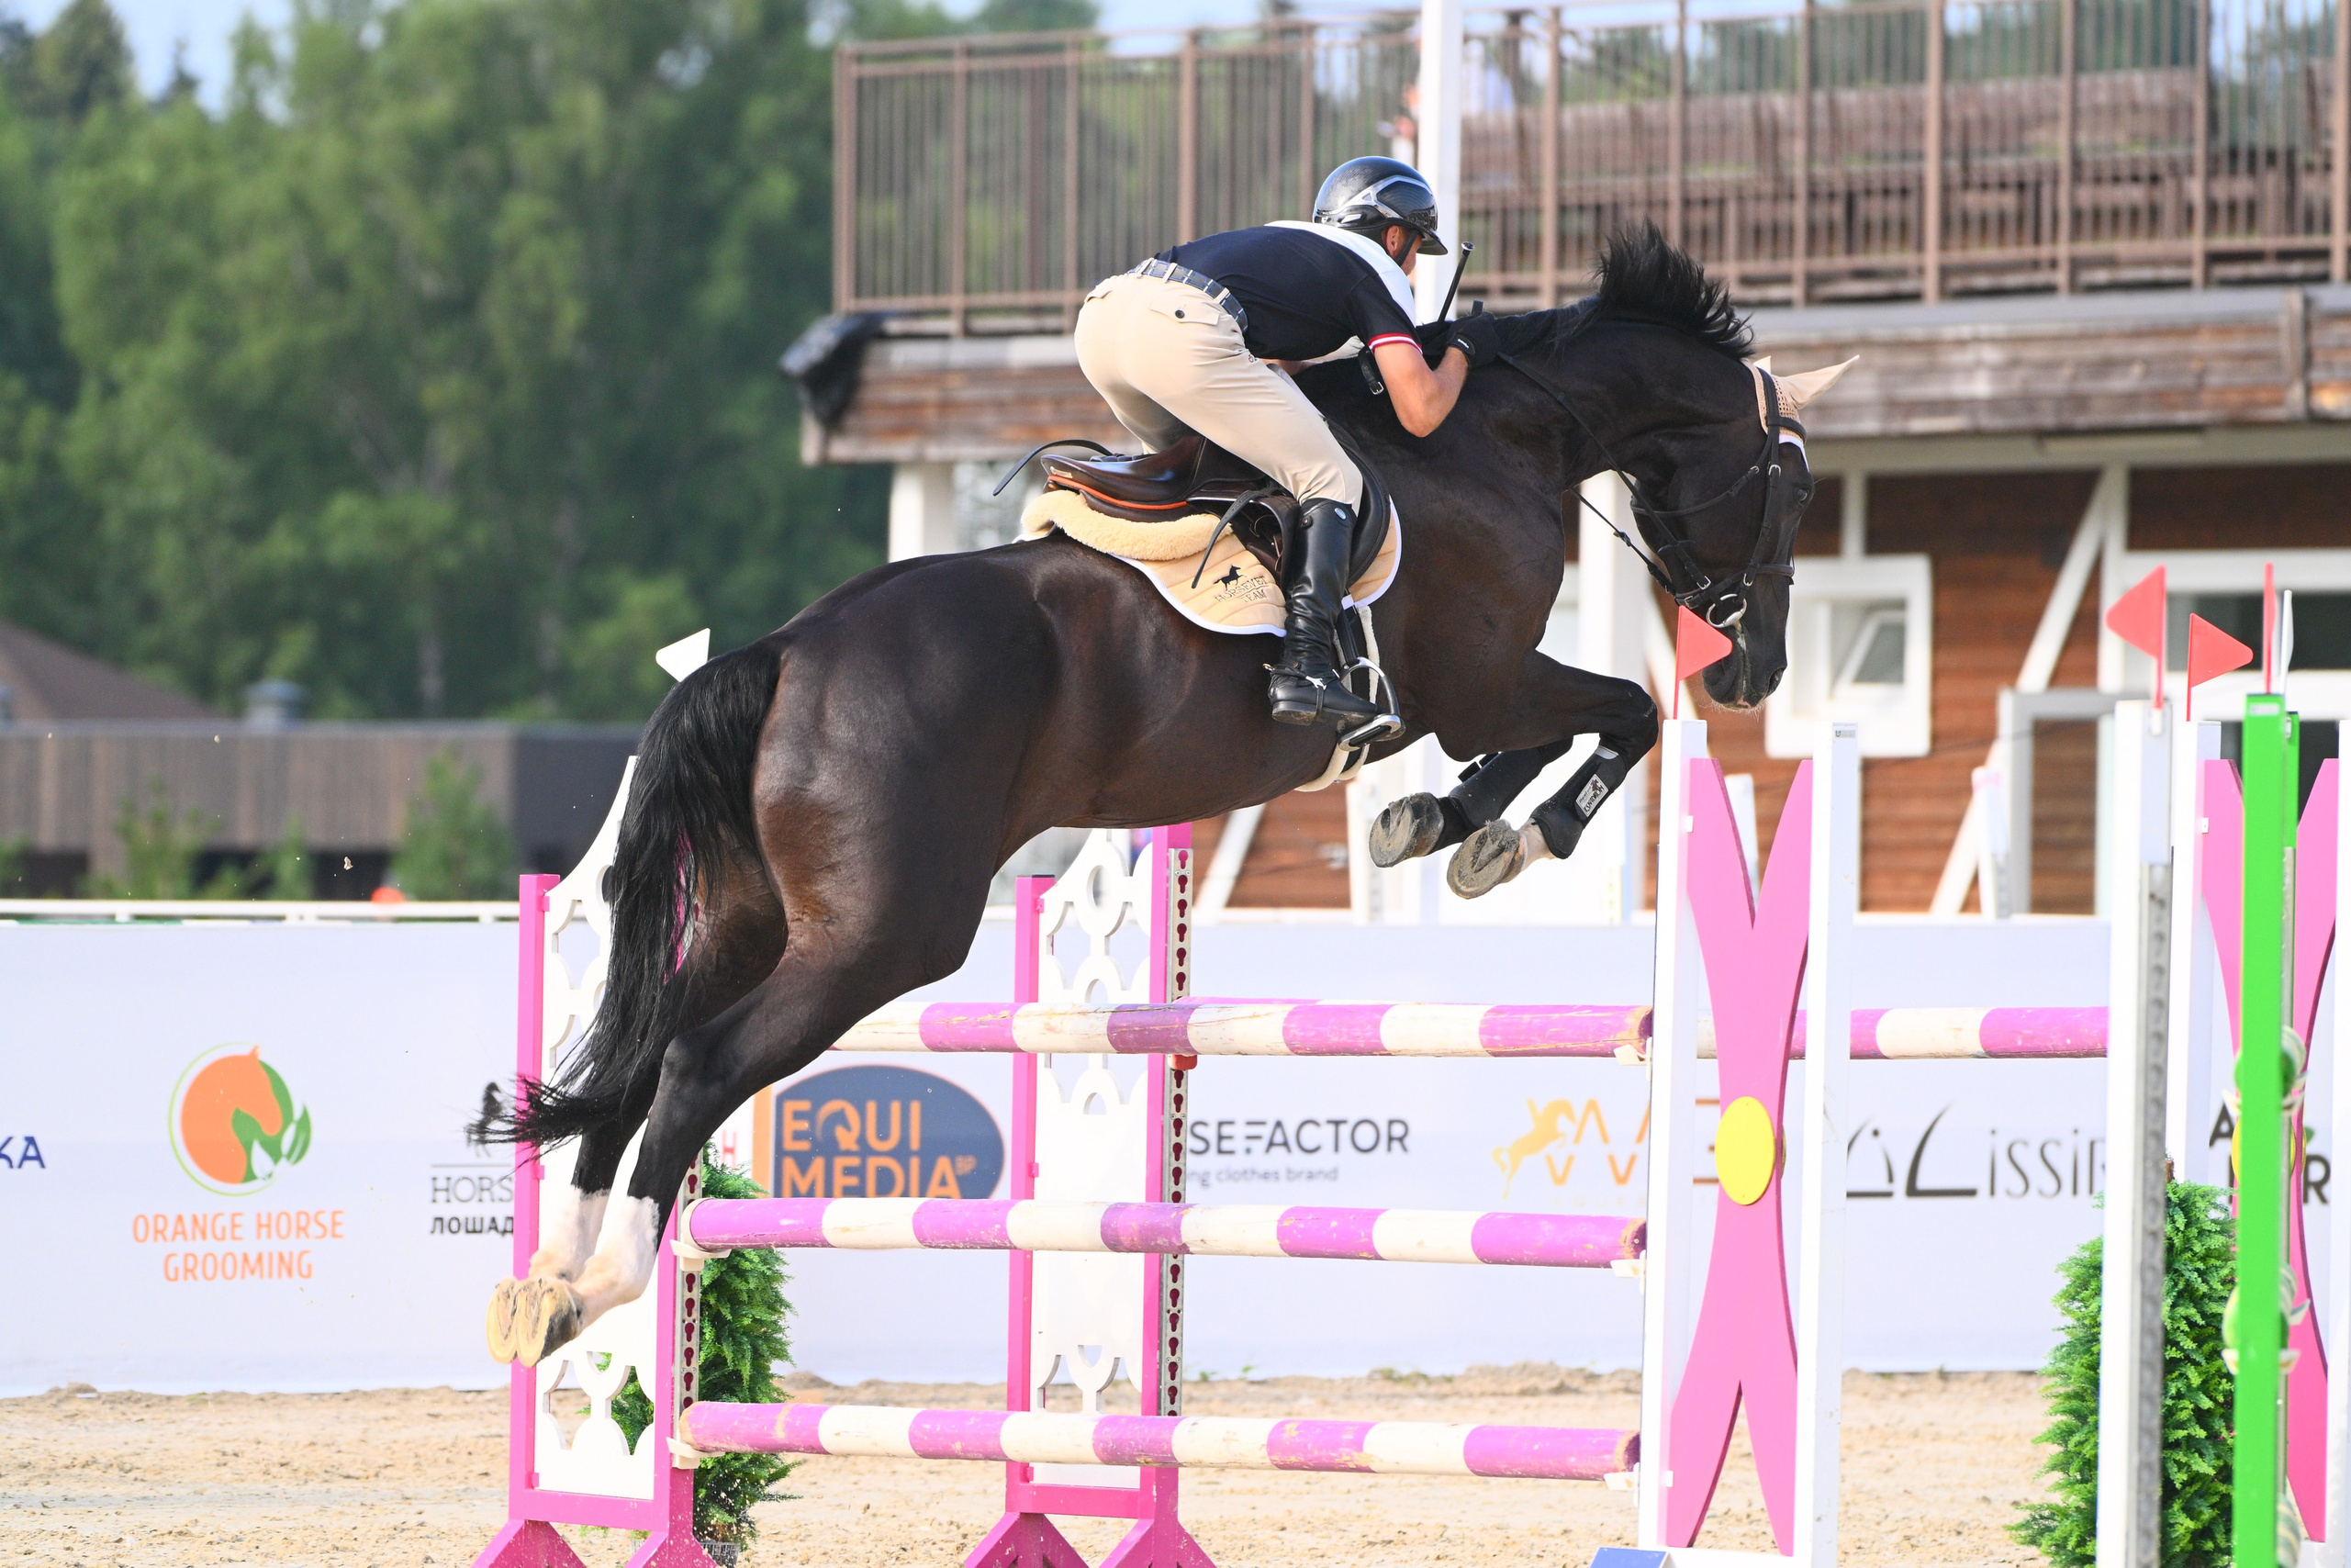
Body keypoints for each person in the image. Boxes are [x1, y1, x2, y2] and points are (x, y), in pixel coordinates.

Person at [1073, 156, 1501, 732]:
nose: (1413, 269)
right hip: (1183, 330)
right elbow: (1421, 411)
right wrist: (1463, 351)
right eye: (1417, 250)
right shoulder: (1376, 266)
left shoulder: (1290, 242)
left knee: (1212, 470)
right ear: (1395, 235)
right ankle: (1306, 668)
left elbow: (1280, 362)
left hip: (1104, 318)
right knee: (1332, 480)